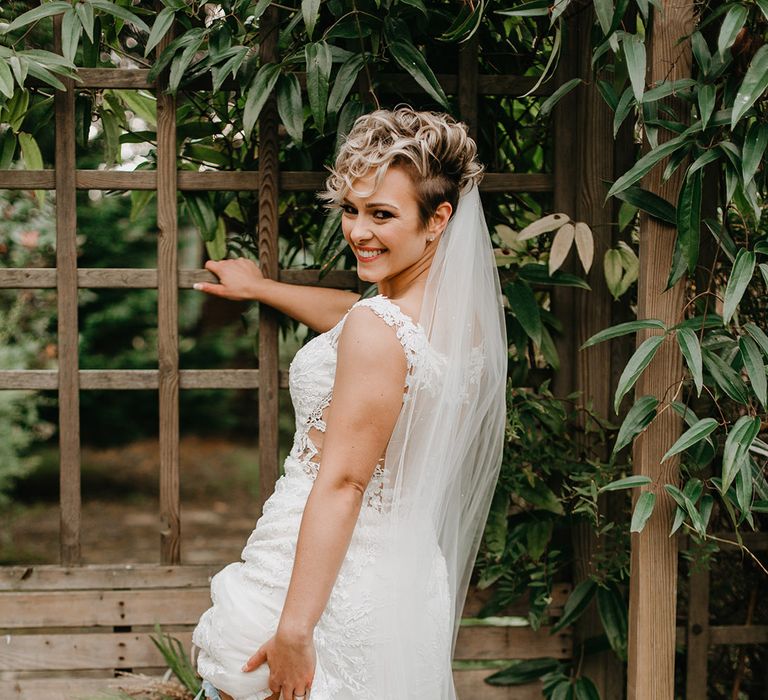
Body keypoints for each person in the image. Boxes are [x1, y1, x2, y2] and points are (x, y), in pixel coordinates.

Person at [191, 107, 507, 700]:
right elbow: (357, 322)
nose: (359, 231)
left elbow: (342, 483)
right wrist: (260, 286)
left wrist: (293, 629)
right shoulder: (457, 322)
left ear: (438, 219)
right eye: (352, 210)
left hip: (312, 592)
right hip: (402, 589)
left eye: (382, 215)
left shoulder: (378, 328)